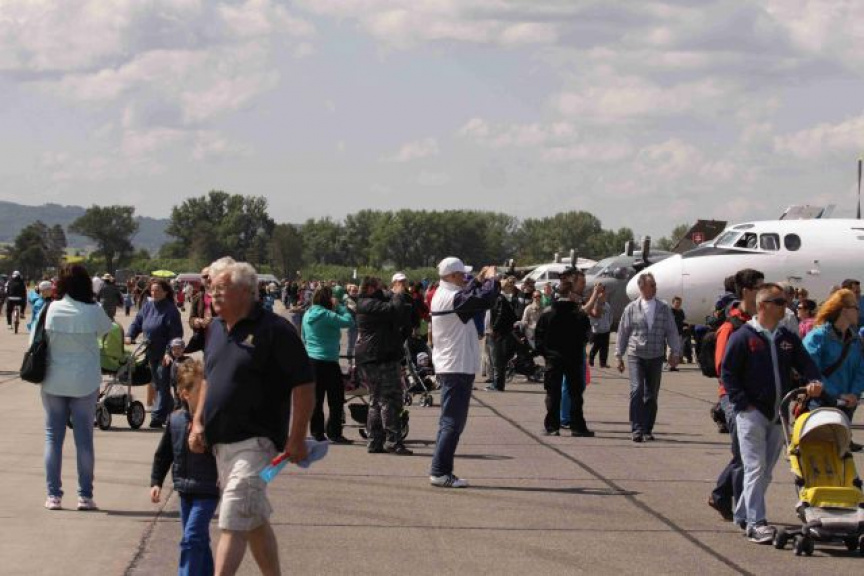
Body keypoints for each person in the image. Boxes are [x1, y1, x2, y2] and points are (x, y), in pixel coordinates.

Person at [189, 257, 314, 576]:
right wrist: (198, 422)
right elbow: (209, 379)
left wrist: (297, 438)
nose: (214, 294)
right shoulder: (216, 329)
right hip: (221, 444)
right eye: (212, 288)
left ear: (247, 291)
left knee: (233, 514)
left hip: (257, 444)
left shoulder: (275, 330)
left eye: (222, 288)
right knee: (251, 515)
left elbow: (304, 385)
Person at [722, 283, 823, 544]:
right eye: (779, 303)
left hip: (779, 412)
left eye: (784, 302)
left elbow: (806, 363)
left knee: (766, 471)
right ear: (763, 306)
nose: (784, 307)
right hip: (752, 413)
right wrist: (743, 403)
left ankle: (743, 514)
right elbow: (728, 373)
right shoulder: (743, 336)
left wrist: (813, 381)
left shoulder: (786, 338)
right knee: (755, 468)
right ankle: (756, 524)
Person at [39, 264, 112, 511]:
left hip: (54, 379)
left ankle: (53, 495)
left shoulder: (51, 308)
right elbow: (107, 330)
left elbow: (35, 341)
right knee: (84, 440)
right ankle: (85, 496)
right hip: (85, 381)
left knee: (53, 438)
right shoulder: (94, 309)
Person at [429, 258, 499, 488]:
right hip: (456, 366)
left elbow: (469, 293)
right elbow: (485, 299)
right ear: (451, 276)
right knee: (452, 422)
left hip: (453, 364)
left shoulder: (445, 293)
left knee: (449, 422)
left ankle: (440, 470)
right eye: (461, 275)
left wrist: (478, 280)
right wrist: (492, 279)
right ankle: (440, 472)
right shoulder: (452, 298)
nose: (465, 278)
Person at [151, 360, 219, 576]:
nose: (205, 395)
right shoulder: (175, 420)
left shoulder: (213, 421)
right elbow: (164, 454)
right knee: (199, 541)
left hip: (208, 490)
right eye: (200, 391)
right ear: (185, 394)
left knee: (191, 540)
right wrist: (156, 482)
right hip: (185, 491)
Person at [707, 268, 763, 524]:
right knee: (745, 454)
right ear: (747, 291)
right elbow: (723, 368)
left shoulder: (760, 323)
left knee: (747, 454)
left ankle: (721, 494)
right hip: (734, 398)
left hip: (757, 397)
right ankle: (745, 511)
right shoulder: (731, 327)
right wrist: (740, 398)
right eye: (759, 287)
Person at [615, 273, 682, 442]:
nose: (655, 288)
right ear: (642, 287)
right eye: (652, 285)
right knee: (637, 390)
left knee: (651, 394)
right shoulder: (631, 308)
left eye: (655, 285)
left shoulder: (663, 307)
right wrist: (618, 355)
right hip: (636, 355)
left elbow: (671, 331)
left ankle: (647, 429)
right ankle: (636, 428)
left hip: (656, 356)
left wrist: (675, 352)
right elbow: (623, 332)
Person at [355, 276, 414, 455]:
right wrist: (397, 294)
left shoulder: (370, 303)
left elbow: (402, 311)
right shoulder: (368, 304)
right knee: (390, 399)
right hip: (378, 357)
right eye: (379, 288)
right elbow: (394, 309)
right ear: (370, 288)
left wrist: (397, 295)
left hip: (375, 356)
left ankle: (375, 441)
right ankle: (393, 441)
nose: (383, 292)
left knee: (376, 400)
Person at [802, 288, 864, 452]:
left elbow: (861, 369)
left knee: (840, 455)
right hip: (821, 403)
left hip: (848, 405)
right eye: (855, 307)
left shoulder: (855, 340)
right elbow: (811, 370)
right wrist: (837, 395)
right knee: (820, 454)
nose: (859, 311)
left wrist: (854, 394)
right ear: (844, 310)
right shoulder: (818, 337)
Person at [535, 280, 594, 437]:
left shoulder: (547, 313)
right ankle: (577, 427)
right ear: (570, 294)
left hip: (553, 359)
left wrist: (546, 354)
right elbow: (587, 335)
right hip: (574, 358)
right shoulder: (579, 315)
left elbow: (538, 337)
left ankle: (552, 427)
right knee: (575, 394)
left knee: (552, 393)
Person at [126, 278, 184, 428]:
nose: (154, 293)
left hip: (165, 353)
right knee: (158, 384)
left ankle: (157, 417)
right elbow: (137, 322)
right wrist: (130, 335)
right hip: (150, 352)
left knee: (163, 383)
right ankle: (173, 413)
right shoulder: (147, 306)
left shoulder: (171, 310)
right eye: (152, 290)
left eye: (158, 290)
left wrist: (169, 352)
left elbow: (175, 334)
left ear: (165, 292)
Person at [302, 285, 354, 444]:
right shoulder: (327, 315)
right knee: (336, 399)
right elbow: (349, 321)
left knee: (316, 400)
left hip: (312, 360)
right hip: (329, 361)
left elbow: (303, 336)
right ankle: (334, 432)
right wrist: (340, 307)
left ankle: (317, 433)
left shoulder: (307, 314)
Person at [488, 278, 518, 392]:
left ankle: (498, 385)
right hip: (496, 333)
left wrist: (494, 329)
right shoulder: (497, 299)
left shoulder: (500, 299)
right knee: (495, 360)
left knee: (497, 360)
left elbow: (500, 315)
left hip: (498, 334)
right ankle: (496, 383)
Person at [588, 286, 612, 368]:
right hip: (597, 330)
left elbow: (610, 316)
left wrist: (609, 325)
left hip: (606, 330)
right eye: (601, 293)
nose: (603, 295)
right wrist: (595, 325)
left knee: (605, 348)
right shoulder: (594, 304)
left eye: (604, 293)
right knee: (596, 346)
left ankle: (603, 363)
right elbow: (591, 317)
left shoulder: (607, 305)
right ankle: (591, 358)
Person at [669, 296, 692, 368]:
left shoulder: (681, 311)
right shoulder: (670, 311)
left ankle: (673, 365)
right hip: (672, 333)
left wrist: (686, 325)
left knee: (677, 349)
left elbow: (682, 321)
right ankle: (672, 365)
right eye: (676, 303)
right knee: (674, 349)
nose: (678, 304)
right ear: (673, 303)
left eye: (679, 303)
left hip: (679, 332)